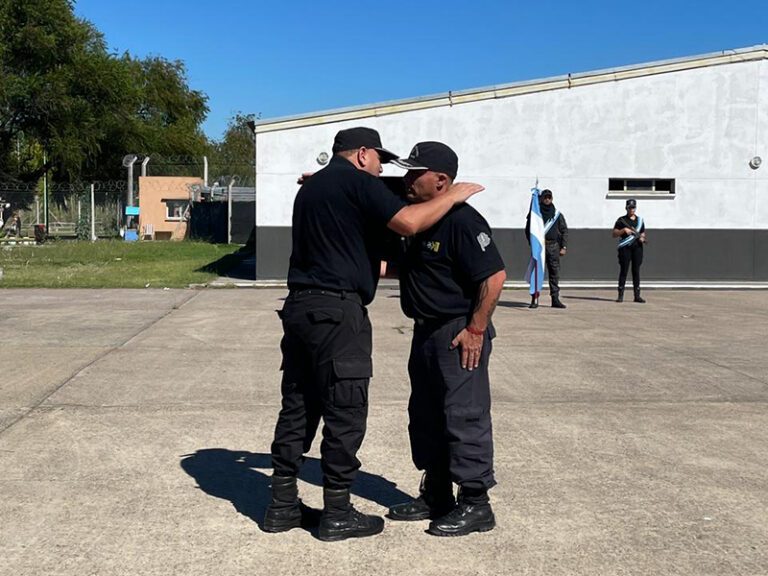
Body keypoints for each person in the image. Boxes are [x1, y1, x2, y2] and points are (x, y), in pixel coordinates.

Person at [265, 127, 484, 542]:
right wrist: (453, 195)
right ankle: (337, 512)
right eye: (380, 158)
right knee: (345, 408)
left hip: (299, 309)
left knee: (298, 404)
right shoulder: (354, 182)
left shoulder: (313, 189)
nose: (384, 167)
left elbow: (377, 202)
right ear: (362, 154)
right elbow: (406, 222)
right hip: (337, 313)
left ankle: (281, 505)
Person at [385, 142, 506, 537]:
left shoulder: (462, 222)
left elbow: (494, 277)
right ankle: (437, 492)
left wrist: (474, 330)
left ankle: (475, 502)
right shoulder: (421, 218)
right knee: (426, 414)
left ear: (441, 181)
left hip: (457, 331)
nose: (406, 178)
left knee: (463, 415)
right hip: (424, 330)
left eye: (413, 172)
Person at [525, 189, 568, 308]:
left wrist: (563, 246)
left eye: (549, 197)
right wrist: (532, 244)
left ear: (552, 198)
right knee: (537, 273)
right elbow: (528, 229)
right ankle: (534, 299)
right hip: (539, 247)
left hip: (553, 246)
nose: (547, 199)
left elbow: (564, 230)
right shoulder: (535, 214)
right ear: (541, 199)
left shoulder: (557, 214)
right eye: (545, 197)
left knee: (554, 273)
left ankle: (555, 299)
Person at [612, 198, 647, 303]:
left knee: (636, 271)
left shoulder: (640, 220)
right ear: (626, 208)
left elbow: (643, 233)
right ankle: (620, 295)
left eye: (633, 207)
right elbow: (614, 234)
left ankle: (637, 295)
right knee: (624, 270)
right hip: (625, 248)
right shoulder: (621, 220)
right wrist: (623, 230)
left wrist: (642, 238)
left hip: (637, 248)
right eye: (630, 207)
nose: (631, 209)